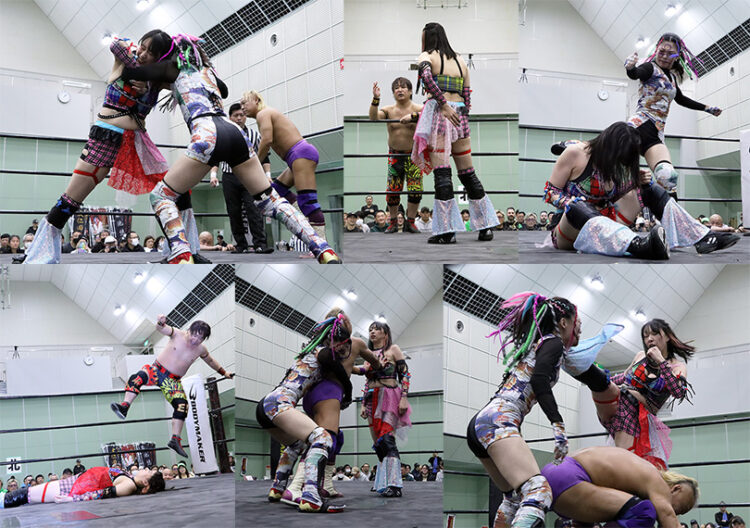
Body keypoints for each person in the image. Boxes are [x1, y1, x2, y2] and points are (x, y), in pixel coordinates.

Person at [120, 35, 340, 264]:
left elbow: (129, 73)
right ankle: (323, 249)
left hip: (207, 132)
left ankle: (181, 254)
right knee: (270, 200)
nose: (144, 55)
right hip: (235, 133)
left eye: (150, 51)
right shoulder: (204, 70)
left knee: (161, 195)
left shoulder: (169, 67)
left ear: (165, 54)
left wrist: (142, 67)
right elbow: (223, 91)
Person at [19, 30, 174, 264]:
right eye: (142, 47)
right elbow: (116, 44)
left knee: (172, 190)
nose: (142, 54)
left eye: (150, 52)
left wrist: (150, 78)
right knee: (72, 197)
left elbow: (179, 72)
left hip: (134, 144)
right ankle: (38, 251)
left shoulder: (156, 81)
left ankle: (181, 247)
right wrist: (141, 71)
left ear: (160, 56)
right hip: (106, 138)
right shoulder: (128, 59)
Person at [466, 293, 588, 526]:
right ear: (564, 323)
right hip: (499, 419)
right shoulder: (554, 342)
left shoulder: (538, 345)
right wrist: (558, 426)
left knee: (513, 498)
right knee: (538, 491)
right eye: (576, 322)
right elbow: (540, 380)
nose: (580, 328)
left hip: (483, 421)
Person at [545, 122, 739, 259]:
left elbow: (611, 197)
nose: (620, 164)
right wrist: (570, 202)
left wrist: (634, 182)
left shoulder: (617, 165)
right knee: (577, 205)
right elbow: (550, 192)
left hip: (606, 222)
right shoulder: (576, 153)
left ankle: (702, 237)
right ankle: (639, 245)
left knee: (649, 188)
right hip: (570, 228)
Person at [278, 309, 382, 505]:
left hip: (311, 395)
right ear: (347, 325)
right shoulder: (356, 343)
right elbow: (375, 363)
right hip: (329, 393)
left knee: (333, 438)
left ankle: (325, 485)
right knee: (324, 440)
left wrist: (360, 370)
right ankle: (296, 487)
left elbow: (346, 368)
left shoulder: (322, 343)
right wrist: (380, 365)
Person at [256, 313, 355, 513]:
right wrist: (349, 391)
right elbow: (338, 370)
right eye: (342, 345)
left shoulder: (309, 352)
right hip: (279, 402)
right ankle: (311, 496)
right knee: (323, 437)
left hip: (266, 405)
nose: (343, 350)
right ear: (334, 340)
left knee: (297, 444)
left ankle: (277, 488)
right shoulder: (323, 353)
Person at [412, 22, 499, 244]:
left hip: (441, 115)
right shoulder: (460, 60)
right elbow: (467, 93)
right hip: (460, 115)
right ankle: (486, 226)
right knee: (467, 172)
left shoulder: (427, 55)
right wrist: (461, 113)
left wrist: (443, 104)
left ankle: (447, 231)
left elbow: (426, 77)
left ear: (427, 37)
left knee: (442, 173)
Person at [111, 316, 233, 457]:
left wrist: (224, 373)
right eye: (194, 335)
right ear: (189, 331)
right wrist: (160, 322)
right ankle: (125, 406)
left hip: (173, 381)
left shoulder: (201, 349)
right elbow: (161, 328)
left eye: (200, 338)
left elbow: (210, 361)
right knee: (138, 377)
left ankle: (175, 440)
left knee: (182, 405)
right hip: (157, 370)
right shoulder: (177, 334)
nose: (195, 340)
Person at [587, 319, 693, 470]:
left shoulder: (677, 366)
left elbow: (678, 392)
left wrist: (661, 361)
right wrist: (603, 379)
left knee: (625, 460)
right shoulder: (640, 356)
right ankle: (584, 368)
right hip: (620, 402)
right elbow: (624, 377)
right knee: (600, 385)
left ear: (667, 336)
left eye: (654, 334)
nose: (650, 339)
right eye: (646, 336)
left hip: (638, 415)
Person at [624, 33, 721, 191]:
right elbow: (636, 74)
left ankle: (666, 207)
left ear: (677, 56)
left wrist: (707, 108)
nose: (664, 56)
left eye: (670, 53)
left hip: (656, 132)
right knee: (620, 172)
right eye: (661, 51)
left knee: (668, 178)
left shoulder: (672, 78)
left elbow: (681, 99)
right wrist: (630, 68)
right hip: (639, 125)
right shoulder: (650, 68)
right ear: (656, 50)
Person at [241, 90, 330, 245]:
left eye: (244, 102)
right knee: (277, 190)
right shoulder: (265, 115)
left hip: (300, 154)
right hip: (296, 156)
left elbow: (267, 141)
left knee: (308, 200)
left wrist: (255, 164)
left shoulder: (263, 113)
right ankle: (302, 216)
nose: (242, 107)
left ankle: (321, 244)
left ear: (256, 100)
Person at [540, 446, 698, 527]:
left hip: (552, 473)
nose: (676, 513)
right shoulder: (658, 483)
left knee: (592, 521)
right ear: (675, 488)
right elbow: (668, 517)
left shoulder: (637, 479)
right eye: (680, 508)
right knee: (643, 512)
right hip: (569, 477)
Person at [354, 321, 412, 498]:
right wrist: (363, 403)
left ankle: (394, 484)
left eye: (376, 329)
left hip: (389, 395)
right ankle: (382, 481)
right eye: (370, 329)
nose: (372, 332)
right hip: (372, 398)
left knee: (387, 439)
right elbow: (366, 379)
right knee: (378, 443)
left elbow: (405, 373)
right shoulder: (369, 354)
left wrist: (404, 397)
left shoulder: (393, 349)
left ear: (385, 333)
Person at [209, 102, 272, 254]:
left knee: (254, 209)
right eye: (235, 115)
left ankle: (260, 244)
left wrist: (267, 176)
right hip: (229, 177)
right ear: (229, 117)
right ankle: (241, 245)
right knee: (233, 210)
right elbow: (215, 157)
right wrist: (213, 175)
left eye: (242, 115)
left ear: (245, 117)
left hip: (250, 176)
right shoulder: (223, 135)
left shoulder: (254, 135)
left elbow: (264, 157)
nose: (239, 118)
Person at [370, 78, 423, 233]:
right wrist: (375, 99)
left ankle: (411, 222)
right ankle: (393, 222)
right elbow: (373, 117)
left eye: (403, 87)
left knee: (415, 190)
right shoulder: (388, 110)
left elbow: (433, 117)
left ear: (410, 91)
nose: (400, 90)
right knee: (393, 190)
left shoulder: (420, 108)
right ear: (393, 93)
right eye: (396, 88)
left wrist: (413, 117)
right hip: (395, 155)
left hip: (414, 155)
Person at [1, 467, 164, 508]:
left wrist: (72, 499)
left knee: (26, 494)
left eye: (149, 472)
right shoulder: (130, 478)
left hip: (73, 489)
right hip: (76, 482)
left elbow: (100, 494)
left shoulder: (128, 485)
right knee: (27, 493)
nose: (146, 469)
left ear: (146, 483)